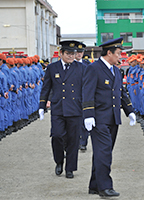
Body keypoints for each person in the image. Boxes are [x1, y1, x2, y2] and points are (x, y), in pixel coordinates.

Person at [82, 37, 136, 197]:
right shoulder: (94, 68)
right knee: (104, 153)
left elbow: (121, 92)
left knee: (102, 152)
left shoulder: (116, 70)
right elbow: (87, 92)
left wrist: (130, 110)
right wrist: (88, 114)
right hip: (98, 119)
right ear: (109, 53)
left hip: (113, 118)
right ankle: (105, 187)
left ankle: (94, 185)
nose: (120, 57)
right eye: (118, 54)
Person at [39, 40, 85, 179]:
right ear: (61, 53)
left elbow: (86, 88)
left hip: (75, 108)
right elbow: (46, 87)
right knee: (57, 136)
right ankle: (59, 161)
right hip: (58, 108)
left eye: (73, 53)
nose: (71, 56)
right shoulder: (52, 68)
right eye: (68, 53)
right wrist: (42, 105)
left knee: (73, 139)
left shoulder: (81, 68)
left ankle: (70, 168)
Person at [75, 42, 91, 151]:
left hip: (84, 97)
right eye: (78, 52)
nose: (79, 54)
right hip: (72, 98)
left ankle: (83, 143)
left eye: (81, 52)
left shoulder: (87, 65)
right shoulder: (68, 65)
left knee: (84, 121)